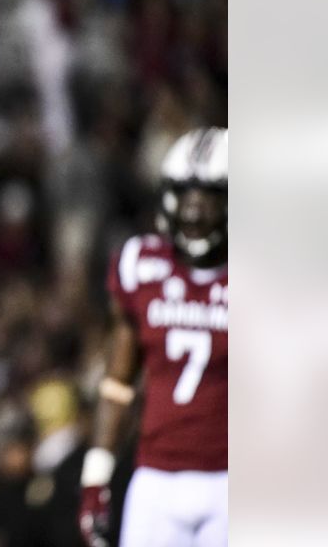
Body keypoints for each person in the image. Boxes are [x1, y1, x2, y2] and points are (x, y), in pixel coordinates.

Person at [78, 127, 228, 547]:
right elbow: (117, 384)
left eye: (211, 197)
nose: (196, 211)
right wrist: (96, 479)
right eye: (186, 195)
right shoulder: (140, 264)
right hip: (157, 480)